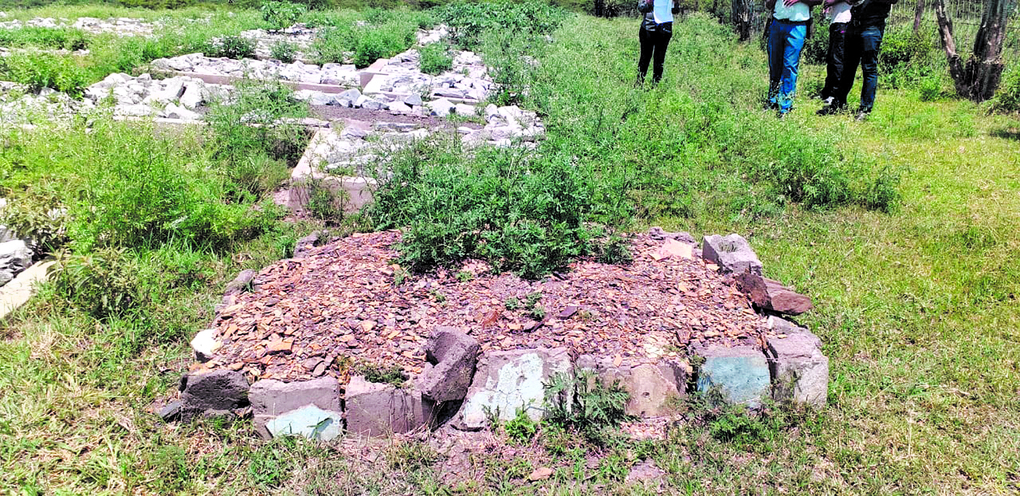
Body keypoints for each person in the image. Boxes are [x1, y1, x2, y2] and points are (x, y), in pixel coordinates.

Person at [817, 0, 900, 120]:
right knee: (847, 67)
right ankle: (838, 104)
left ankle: (865, 109)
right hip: (853, 24)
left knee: (869, 68)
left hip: (872, 26)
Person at [765, 0, 823, 116]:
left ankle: (785, 105)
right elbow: (768, 4)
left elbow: (819, 1)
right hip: (777, 23)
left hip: (797, 25)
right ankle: (772, 100)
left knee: (789, 66)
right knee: (774, 64)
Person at [637, 0, 681, 85]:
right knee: (645, 59)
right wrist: (649, 2)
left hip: (664, 30)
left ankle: (656, 85)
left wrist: (675, 3)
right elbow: (641, 8)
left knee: (659, 60)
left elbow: (676, 10)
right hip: (648, 29)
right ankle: (639, 84)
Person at [819, 0, 852, 104]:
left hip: (844, 22)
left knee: (838, 59)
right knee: (831, 59)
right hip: (835, 22)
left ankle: (835, 93)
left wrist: (831, 1)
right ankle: (827, 91)